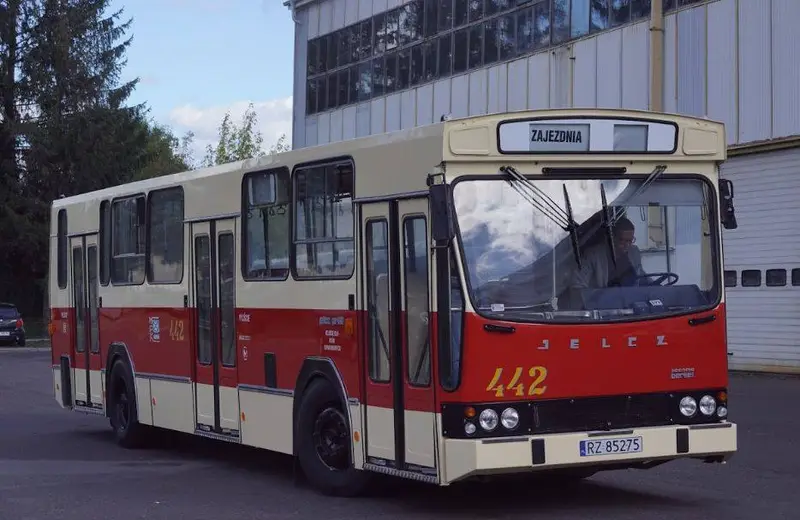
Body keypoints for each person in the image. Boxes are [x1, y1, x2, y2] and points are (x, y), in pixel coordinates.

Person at [571, 216, 646, 289]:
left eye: (630, 241)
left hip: (633, 299)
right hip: (604, 300)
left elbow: (642, 277)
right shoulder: (593, 255)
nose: (627, 245)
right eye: (623, 241)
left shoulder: (634, 251)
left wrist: (655, 286)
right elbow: (577, 284)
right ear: (612, 238)